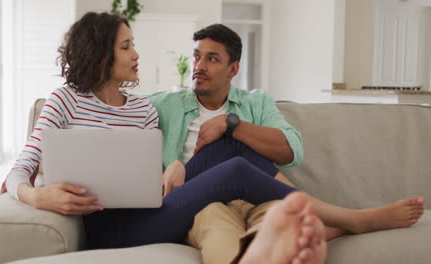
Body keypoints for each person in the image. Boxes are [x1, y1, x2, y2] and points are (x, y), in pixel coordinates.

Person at [1, 12, 327, 264]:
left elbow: (145, 177)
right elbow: (20, 170)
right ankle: (339, 219)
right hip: (106, 227)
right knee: (235, 167)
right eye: (126, 47)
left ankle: (301, 229)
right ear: (101, 55)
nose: (136, 54)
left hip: (152, 213)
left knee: (229, 148)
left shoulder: (143, 109)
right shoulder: (64, 101)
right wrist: (36, 197)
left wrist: (172, 167)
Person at [148, 23, 426, 263]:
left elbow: (292, 150)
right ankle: (347, 221)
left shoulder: (255, 102)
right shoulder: (165, 105)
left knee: (286, 231)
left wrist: (231, 125)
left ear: (233, 69)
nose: (199, 66)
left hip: (259, 197)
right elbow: (115, 115)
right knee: (219, 232)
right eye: (196, 57)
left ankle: (324, 228)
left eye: (212, 59)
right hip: (205, 202)